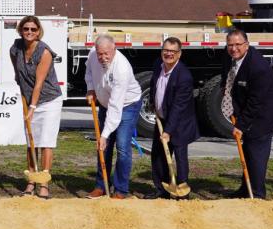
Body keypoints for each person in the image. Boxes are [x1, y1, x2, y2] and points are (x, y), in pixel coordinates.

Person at [221, 28, 273, 199]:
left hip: (264, 113)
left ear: (246, 45)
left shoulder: (258, 67)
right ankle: (245, 189)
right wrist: (224, 87)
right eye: (230, 45)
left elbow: (256, 101)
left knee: (256, 153)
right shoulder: (229, 57)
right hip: (246, 106)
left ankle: (257, 193)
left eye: (238, 45)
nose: (234, 48)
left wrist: (241, 125)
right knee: (247, 150)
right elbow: (225, 73)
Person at [84, 34, 142, 199]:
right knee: (104, 147)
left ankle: (120, 190)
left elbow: (116, 107)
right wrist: (90, 88)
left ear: (114, 49)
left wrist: (104, 134)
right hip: (104, 103)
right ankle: (101, 186)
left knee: (122, 147)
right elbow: (89, 70)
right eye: (100, 53)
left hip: (126, 106)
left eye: (106, 54)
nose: (102, 57)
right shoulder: (92, 55)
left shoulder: (121, 68)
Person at [10, 15, 61, 199]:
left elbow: (39, 83)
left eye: (33, 29)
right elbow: (18, 75)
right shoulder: (15, 49)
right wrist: (25, 98)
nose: (29, 32)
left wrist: (32, 107)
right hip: (28, 99)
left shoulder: (44, 51)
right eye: (26, 29)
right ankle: (31, 180)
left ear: (38, 31)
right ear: (21, 30)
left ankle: (44, 183)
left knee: (46, 141)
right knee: (31, 141)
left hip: (48, 100)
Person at [145, 36, 198, 199]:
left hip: (180, 123)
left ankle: (182, 192)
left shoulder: (184, 77)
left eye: (172, 51)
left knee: (180, 157)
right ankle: (161, 190)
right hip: (162, 119)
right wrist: (153, 104)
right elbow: (155, 86)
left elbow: (178, 107)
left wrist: (168, 132)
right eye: (166, 50)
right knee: (158, 155)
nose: (168, 54)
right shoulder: (158, 65)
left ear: (179, 54)